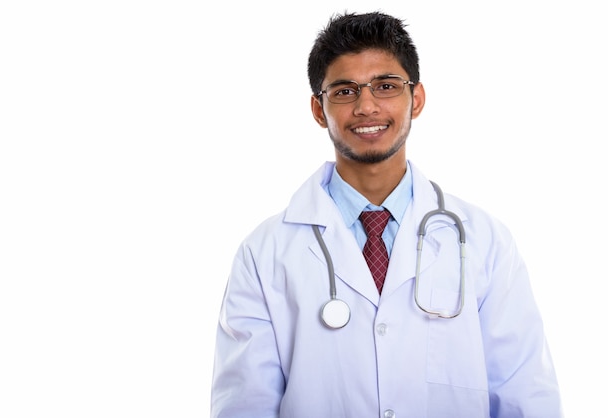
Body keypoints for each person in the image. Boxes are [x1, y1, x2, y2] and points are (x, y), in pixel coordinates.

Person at [210, 11, 562, 418]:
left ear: (417, 99)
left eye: (386, 86)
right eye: (344, 91)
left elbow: (525, 397)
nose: (367, 106)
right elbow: (244, 406)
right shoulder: (264, 253)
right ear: (318, 109)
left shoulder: (485, 241)